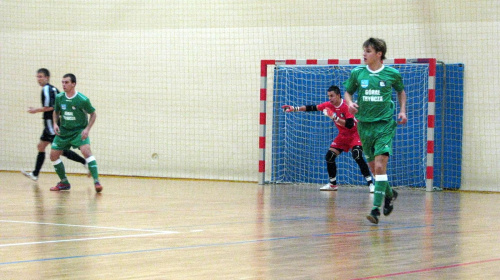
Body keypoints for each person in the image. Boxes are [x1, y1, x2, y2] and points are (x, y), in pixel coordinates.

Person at [343, 38, 407, 224]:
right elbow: (348, 92)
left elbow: (401, 92)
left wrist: (402, 111)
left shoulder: (392, 74)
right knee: (374, 170)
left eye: (368, 51)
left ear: (379, 54)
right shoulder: (358, 73)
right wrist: (350, 104)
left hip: (384, 124)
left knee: (380, 167)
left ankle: (375, 210)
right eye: (364, 50)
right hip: (364, 125)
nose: (364, 54)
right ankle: (389, 193)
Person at [282, 85, 375, 192]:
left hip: (355, 134)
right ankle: (332, 184)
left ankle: (371, 184)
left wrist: (334, 117)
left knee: (357, 155)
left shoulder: (346, 105)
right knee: (329, 156)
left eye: (332, 96)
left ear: (339, 95)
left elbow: (349, 124)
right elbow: (312, 108)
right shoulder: (328, 105)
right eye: (328, 96)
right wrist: (295, 108)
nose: (330, 98)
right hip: (343, 135)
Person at [22, 68, 88, 181]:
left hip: (51, 124)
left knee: (59, 150)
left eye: (41, 76)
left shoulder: (47, 89)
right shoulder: (52, 89)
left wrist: (35, 110)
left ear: (47, 78)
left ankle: (85, 162)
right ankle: (35, 174)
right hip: (50, 124)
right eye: (37, 76)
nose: (38, 79)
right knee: (41, 146)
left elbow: (51, 107)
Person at [50, 73, 102, 192]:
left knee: (86, 151)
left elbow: (93, 114)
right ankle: (64, 183)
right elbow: (56, 111)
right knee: (53, 155)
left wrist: (87, 129)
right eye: (62, 82)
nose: (63, 85)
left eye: (66, 82)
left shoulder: (82, 99)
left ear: (73, 84)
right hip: (64, 131)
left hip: (79, 131)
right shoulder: (59, 97)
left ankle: (96, 182)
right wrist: (55, 123)